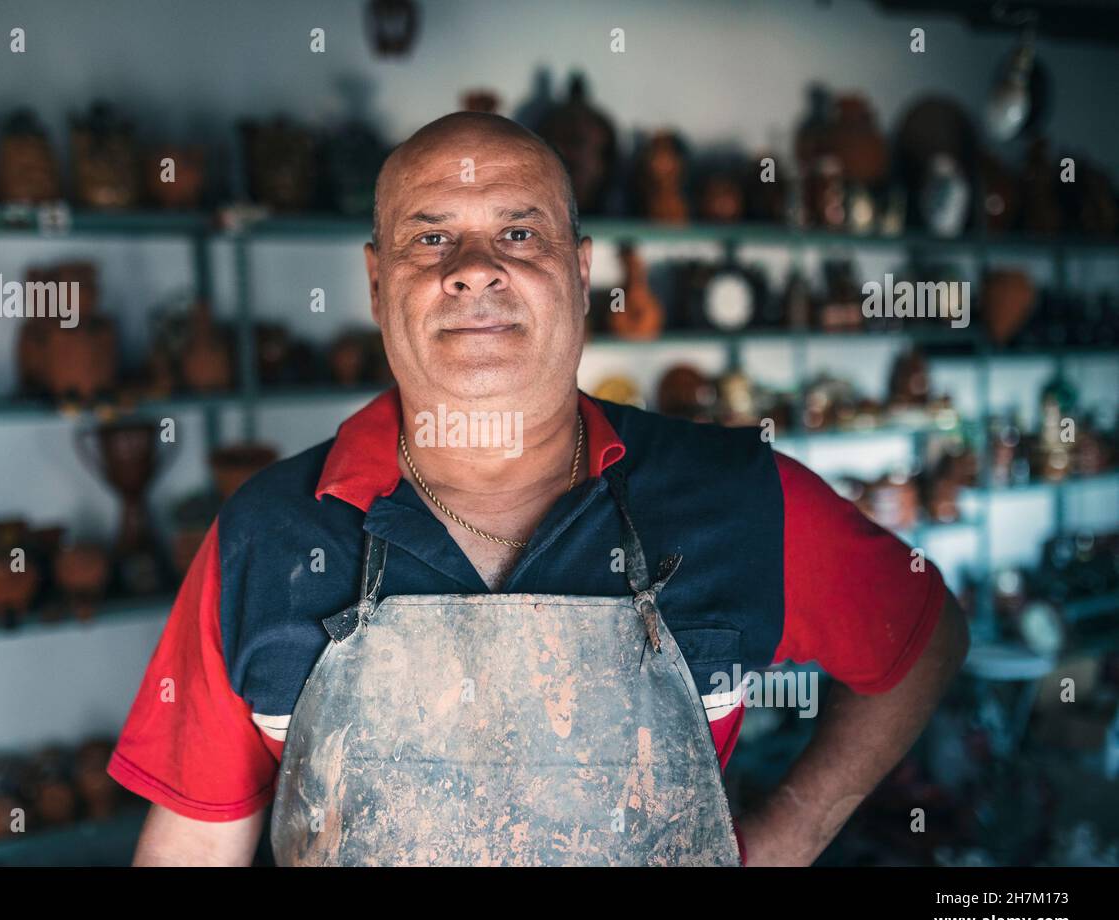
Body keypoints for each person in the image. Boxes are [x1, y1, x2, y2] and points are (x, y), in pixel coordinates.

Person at [108, 111, 970, 866]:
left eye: (519, 234)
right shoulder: (264, 536)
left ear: (581, 271)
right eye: (431, 237)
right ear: (376, 284)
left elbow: (923, 633)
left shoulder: (735, 496)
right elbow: (189, 846)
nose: (475, 269)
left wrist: (787, 837)